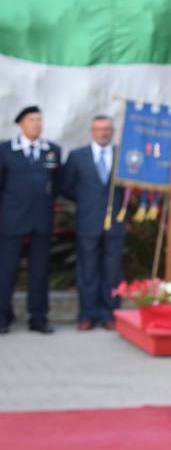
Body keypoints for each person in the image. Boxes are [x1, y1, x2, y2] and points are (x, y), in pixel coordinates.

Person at [0, 106, 62, 334]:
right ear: (20, 124)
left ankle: (38, 317)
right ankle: (3, 317)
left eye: (39, 120)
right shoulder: (6, 151)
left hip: (41, 220)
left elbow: (57, 186)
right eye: (31, 120)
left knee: (40, 271)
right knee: (6, 270)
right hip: (12, 220)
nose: (37, 124)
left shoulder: (51, 151)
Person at [61, 115, 125, 331]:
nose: (103, 133)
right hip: (87, 223)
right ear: (92, 131)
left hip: (115, 224)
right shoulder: (77, 156)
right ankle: (87, 314)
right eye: (99, 129)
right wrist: (87, 203)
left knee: (112, 271)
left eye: (107, 129)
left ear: (112, 131)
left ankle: (109, 313)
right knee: (87, 270)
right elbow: (67, 186)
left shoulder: (122, 156)